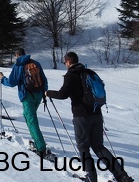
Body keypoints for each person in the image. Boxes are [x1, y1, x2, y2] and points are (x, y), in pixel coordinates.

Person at [46, 52, 134, 182]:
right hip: (97, 114)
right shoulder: (89, 72)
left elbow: (63, 94)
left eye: (65, 62)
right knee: (99, 147)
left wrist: (48, 93)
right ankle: (122, 176)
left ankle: (91, 178)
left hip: (81, 116)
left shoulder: (71, 75)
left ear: (68, 62)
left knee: (83, 147)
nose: (65, 65)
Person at [0, 48, 52, 160]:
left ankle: (41, 148)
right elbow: (44, 80)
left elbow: (12, 82)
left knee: (32, 121)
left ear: (17, 55)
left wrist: (2, 79)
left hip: (27, 96)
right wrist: (44, 93)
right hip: (38, 95)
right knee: (29, 117)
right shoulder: (35, 63)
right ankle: (37, 141)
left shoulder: (18, 65)